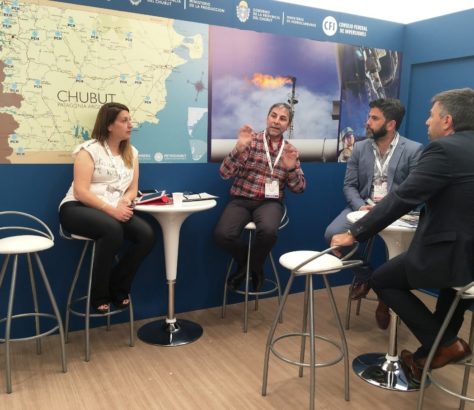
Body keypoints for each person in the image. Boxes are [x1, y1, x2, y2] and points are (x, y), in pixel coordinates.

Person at [330, 88, 474, 381]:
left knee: (382, 279)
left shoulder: (443, 150)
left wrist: (355, 233)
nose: (427, 122)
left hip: (450, 253)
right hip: (468, 261)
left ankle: (447, 345)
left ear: (447, 120)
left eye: (431, 116)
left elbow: (404, 197)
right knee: (452, 295)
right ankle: (425, 357)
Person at [325, 98, 423, 329]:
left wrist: (387, 208)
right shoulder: (360, 148)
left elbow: (415, 191)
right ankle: (368, 277)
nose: (367, 122)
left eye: (374, 118)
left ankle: (385, 299)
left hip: (396, 212)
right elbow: (349, 186)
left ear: (391, 124)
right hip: (362, 208)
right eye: (369, 117)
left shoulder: (413, 150)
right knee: (332, 234)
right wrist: (361, 206)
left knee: (397, 254)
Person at [59, 102, 156, 313]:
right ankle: (99, 295)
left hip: (114, 210)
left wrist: (125, 201)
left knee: (147, 235)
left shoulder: (132, 153)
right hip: (77, 208)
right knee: (112, 230)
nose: (130, 125)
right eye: (124, 120)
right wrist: (112, 210)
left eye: (130, 120)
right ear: (109, 125)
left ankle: (118, 286)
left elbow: (133, 189)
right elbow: (81, 192)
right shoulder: (89, 150)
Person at [214, 102, 305, 291]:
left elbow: (299, 188)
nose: (276, 121)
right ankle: (252, 266)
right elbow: (224, 173)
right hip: (241, 199)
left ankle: (248, 268)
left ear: (288, 125)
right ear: (267, 118)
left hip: (270, 203)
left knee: (269, 231)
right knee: (222, 235)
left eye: (282, 118)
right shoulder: (251, 141)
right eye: (274, 116)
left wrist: (291, 169)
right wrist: (238, 148)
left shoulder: (289, 150)